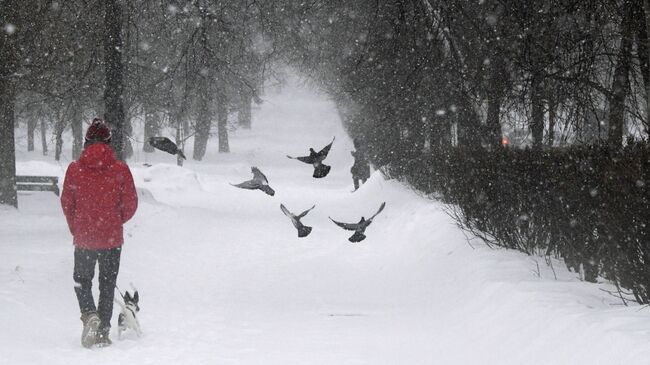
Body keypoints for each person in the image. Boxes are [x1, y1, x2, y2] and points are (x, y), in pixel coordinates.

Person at [61, 118, 138, 348]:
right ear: (109, 142)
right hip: (111, 238)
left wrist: (78, 226)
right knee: (107, 283)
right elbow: (131, 203)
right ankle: (103, 331)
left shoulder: (75, 169)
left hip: (84, 238)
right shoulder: (120, 169)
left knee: (81, 281)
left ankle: (89, 313)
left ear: (86, 142)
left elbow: (67, 202)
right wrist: (114, 221)